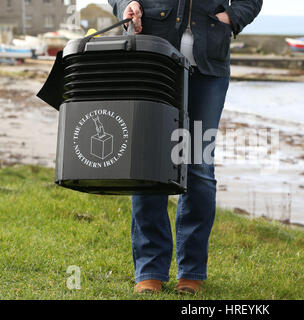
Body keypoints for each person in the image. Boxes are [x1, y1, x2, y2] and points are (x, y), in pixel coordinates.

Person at [108, 0, 262, 294]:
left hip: (209, 67)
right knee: (149, 162)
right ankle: (150, 269)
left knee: (199, 166)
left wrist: (231, 16)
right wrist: (126, 4)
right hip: (152, 57)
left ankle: (191, 271)